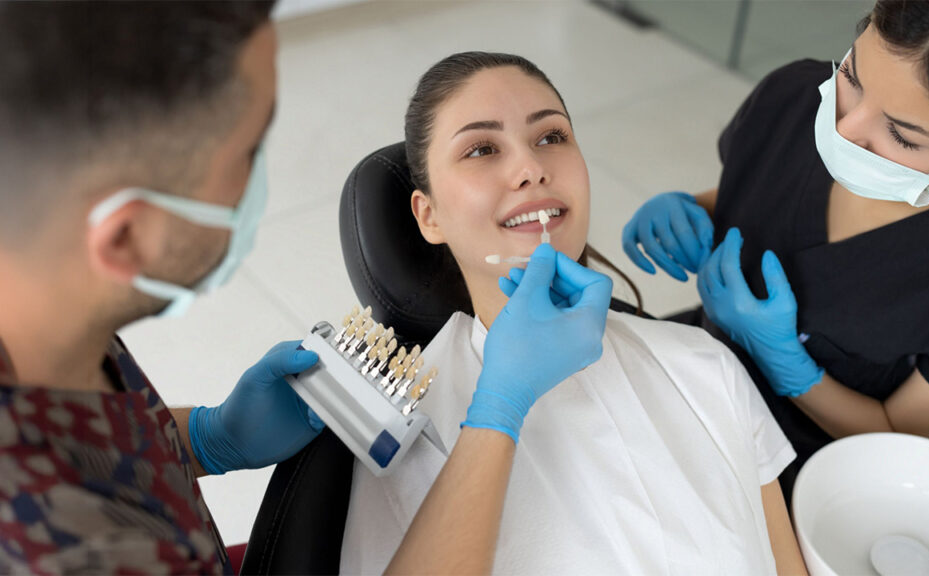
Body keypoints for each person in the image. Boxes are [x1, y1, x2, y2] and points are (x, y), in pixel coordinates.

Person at [0, 4, 609, 574]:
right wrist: (498, 410)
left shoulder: (42, 304)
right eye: (246, 152)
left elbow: (88, 442)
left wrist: (204, 440)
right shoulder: (75, 554)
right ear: (125, 238)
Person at [340, 51, 808, 575]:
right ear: (429, 217)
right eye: (481, 148)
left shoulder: (704, 365)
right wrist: (500, 409)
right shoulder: (405, 435)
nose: (531, 168)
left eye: (551, 137)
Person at [622, 0, 929, 499]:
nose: (844, 129)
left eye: (901, 134)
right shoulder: (792, 94)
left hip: (803, 470)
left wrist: (788, 364)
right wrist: (690, 208)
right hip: (690, 366)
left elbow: (894, 437)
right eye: (853, 78)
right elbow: (756, 187)